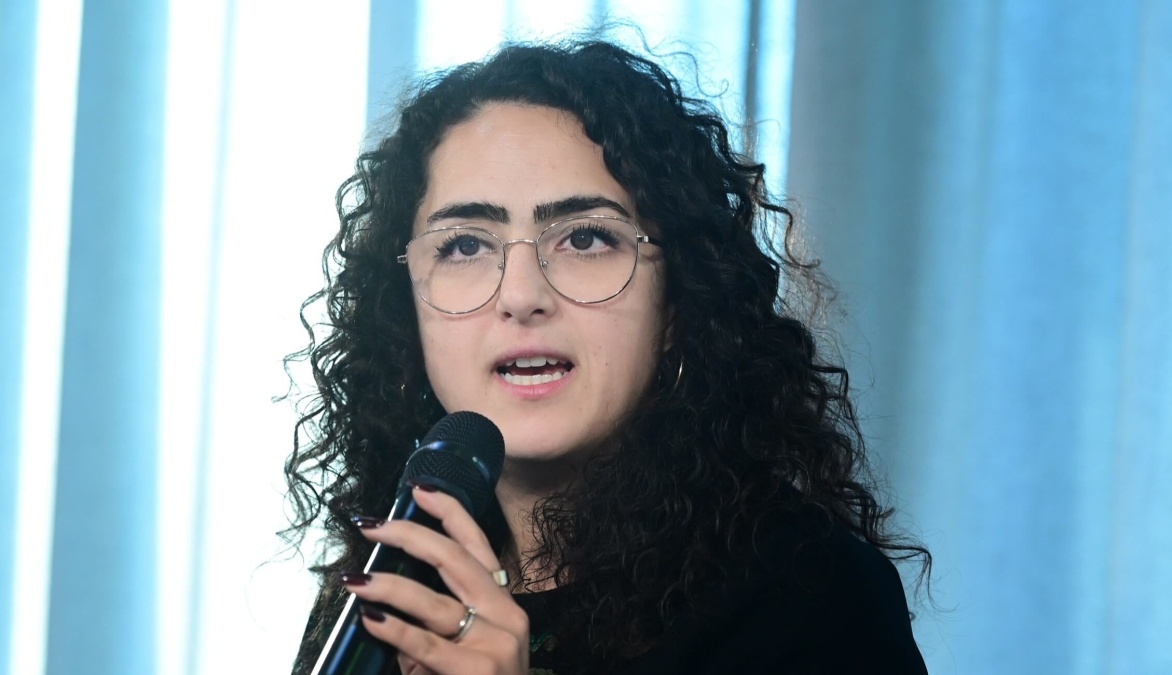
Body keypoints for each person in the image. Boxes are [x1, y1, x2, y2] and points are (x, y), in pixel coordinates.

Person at [284, 36, 930, 675]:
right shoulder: (389, 583)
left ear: (679, 300)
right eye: (464, 246)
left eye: (586, 238)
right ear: (406, 308)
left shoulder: (813, 592)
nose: (521, 294)